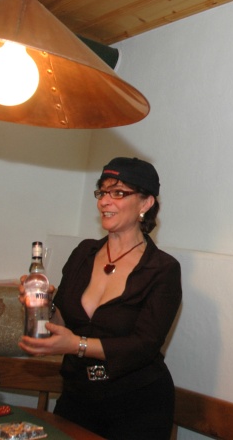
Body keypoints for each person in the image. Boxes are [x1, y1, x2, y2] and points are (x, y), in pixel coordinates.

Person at [19, 157, 182, 440]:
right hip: (78, 396)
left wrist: (76, 345)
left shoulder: (162, 269)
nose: (104, 201)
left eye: (118, 192)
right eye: (102, 191)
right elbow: (64, 324)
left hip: (137, 405)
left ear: (145, 203)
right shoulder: (84, 253)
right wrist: (42, 306)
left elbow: (144, 346)